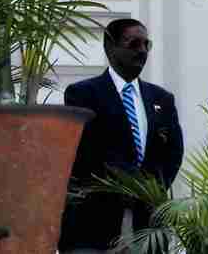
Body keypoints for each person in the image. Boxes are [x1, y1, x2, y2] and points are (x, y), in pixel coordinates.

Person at [58, 18, 184, 253]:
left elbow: (173, 153)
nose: (142, 51)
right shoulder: (82, 94)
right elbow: (87, 151)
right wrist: (127, 186)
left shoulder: (162, 99)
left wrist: (150, 189)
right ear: (110, 47)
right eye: (134, 43)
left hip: (147, 226)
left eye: (147, 44)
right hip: (93, 224)